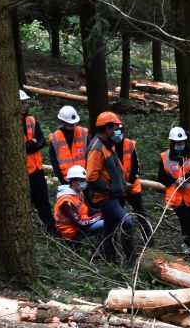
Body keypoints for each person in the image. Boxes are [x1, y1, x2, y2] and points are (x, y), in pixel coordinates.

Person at [84, 111, 135, 251]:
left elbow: (114, 170)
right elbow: (91, 177)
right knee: (128, 224)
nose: (118, 131)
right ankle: (130, 263)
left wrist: (123, 185)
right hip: (105, 197)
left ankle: (110, 261)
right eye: (115, 128)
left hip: (113, 195)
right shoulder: (97, 149)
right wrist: (112, 188)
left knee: (110, 228)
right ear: (107, 129)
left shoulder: (108, 144)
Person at [157, 126, 190, 246]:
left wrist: (186, 178)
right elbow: (161, 177)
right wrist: (174, 180)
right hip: (175, 195)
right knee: (184, 219)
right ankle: (187, 242)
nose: (180, 144)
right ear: (172, 142)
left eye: (182, 142)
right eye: (177, 142)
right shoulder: (164, 157)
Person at [20, 89, 56, 235]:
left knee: (43, 201)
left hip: (36, 168)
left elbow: (42, 140)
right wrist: (29, 145)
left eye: (25, 102)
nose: (25, 105)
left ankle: (52, 229)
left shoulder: (32, 120)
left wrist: (33, 144)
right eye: (22, 103)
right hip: (22, 172)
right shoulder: (9, 124)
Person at [50, 105, 87, 181]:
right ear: (63, 121)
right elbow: (54, 161)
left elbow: (90, 155)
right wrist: (61, 179)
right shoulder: (55, 138)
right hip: (66, 180)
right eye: (70, 124)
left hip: (84, 177)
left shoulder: (83, 133)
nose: (72, 125)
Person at [119, 124, 146, 218]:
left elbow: (136, 165)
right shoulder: (108, 145)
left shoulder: (130, 144)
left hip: (132, 184)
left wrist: (129, 183)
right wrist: (122, 184)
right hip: (117, 186)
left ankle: (146, 232)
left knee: (140, 211)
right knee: (118, 213)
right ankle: (120, 232)